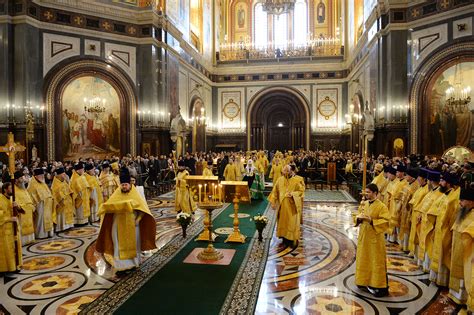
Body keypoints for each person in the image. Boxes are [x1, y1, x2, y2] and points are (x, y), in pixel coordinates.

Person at [96, 167, 156, 274]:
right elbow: (109, 206)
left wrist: (138, 220)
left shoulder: (135, 193)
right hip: (118, 224)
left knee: (134, 244)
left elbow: (143, 209)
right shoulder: (117, 194)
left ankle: (133, 264)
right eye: (122, 185)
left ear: (130, 184)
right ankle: (120, 266)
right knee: (118, 245)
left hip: (133, 224)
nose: (124, 187)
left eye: (126, 185)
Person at [354, 183, 390, 297]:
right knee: (364, 258)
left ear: (375, 193)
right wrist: (358, 219)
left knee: (375, 261)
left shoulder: (382, 206)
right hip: (364, 236)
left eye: (368, 192)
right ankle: (363, 281)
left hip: (375, 239)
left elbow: (386, 222)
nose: (366, 194)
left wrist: (371, 221)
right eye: (366, 192)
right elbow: (356, 214)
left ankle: (377, 285)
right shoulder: (364, 204)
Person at [429, 172, 460, 286]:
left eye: (442, 181)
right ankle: (436, 277)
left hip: (446, 230)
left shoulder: (454, 197)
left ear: (448, 183)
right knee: (438, 252)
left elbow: (453, 217)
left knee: (443, 253)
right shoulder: (445, 195)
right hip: (439, 228)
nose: (440, 183)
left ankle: (443, 280)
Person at [268, 164, 305, 248]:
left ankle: (292, 240)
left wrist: (293, 194)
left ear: (291, 171)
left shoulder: (298, 180)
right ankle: (284, 240)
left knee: (292, 223)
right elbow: (275, 192)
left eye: (287, 171)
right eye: (284, 171)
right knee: (283, 223)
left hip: (293, 207)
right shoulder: (280, 180)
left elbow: (301, 191)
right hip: (282, 207)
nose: (286, 173)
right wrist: (273, 202)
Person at [449, 184, 474, 305]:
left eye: (462, 200)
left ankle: (462, 298)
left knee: (465, 276)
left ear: (471, 202)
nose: (460, 203)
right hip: (457, 249)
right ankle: (454, 295)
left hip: (467, 254)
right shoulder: (463, 213)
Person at [418, 170, 444, 270]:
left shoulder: (439, 193)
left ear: (431, 181)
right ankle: (424, 265)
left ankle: (428, 267)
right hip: (424, 221)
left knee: (429, 245)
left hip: (430, 223)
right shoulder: (432, 191)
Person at [0, 183, 23, 272]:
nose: (12, 190)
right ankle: (6, 268)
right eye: (10, 188)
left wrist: (16, 206)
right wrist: (9, 218)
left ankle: (16, 266)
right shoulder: (0, 199)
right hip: (4, 230)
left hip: (13, 228)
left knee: (15, 248)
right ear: (5, 189)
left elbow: (20, 210)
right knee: (7, 250)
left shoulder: (11, 199)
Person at [408, 168, 430, 256]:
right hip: (414, 212)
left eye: (419, 178)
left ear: (424, 179)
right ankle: (413, 251)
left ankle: (417, 254)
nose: (417, 180)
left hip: (419, 215)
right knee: (414, 233)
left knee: (418, 235)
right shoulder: (420, 188)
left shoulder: (426, 190)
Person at [27, 168, 54, 239]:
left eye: (43, 175)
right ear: (36, 176)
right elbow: (31, 196)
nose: (42, 176)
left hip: (47, 204)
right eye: (41, 175)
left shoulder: (42, 182)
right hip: (39, 205)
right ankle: (40, 234)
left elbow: (48, 192)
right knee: (40, 219)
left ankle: (48, 233)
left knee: (47, 218)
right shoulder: (32, 184)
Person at [398, 168, 420, 251]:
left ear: (413, 177)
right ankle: (403, 245)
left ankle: (408, 248)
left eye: (407, 175)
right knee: (403, 227)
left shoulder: (415, 186)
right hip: (404, 209)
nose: (405, 176)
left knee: (408, 229)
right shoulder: (408, 184)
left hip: (409, 211)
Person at [14, 171, 35, 245]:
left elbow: (28, 198)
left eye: (23, 178)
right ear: (16, 180)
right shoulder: (14, 190)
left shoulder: (23, 188)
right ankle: (23, 242)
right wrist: (21, 207)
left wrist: (31, 205)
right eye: (21, 178)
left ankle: (30, 240)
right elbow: (15, 202)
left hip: (28, 211)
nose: (23, 180)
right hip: (22, 212)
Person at [51, 167, 75, 232]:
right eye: (63, 174)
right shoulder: (55, 184)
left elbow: (70, 190)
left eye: (64, 174)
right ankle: (61, 227)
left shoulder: (64, 181)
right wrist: (62, 198)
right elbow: (56, 194)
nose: (64, 175)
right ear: (58, 175)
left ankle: (69, 225)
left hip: (68, 201)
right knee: (62, 214)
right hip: (61, 203)